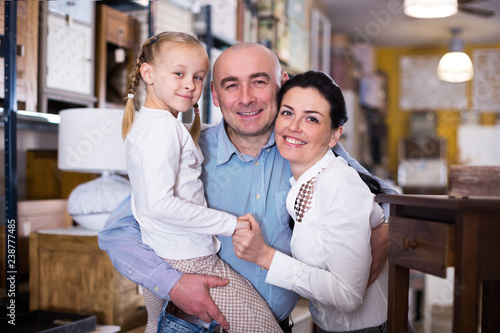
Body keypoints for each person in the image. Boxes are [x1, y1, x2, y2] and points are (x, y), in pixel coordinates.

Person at [98, 42, 396, 333]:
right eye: (230, 85)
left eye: (258, 82)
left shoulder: (308, 148)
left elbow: (387, 198)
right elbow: (119, 232)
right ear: (214, 94)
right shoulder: (186, 149)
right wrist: (171, 283)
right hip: (192, 325)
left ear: (282, 85)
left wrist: (382, 232)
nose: (246, 98)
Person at [121, 32, 282, 333]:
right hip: (191, 261)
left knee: (154, 327)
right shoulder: (165, 130)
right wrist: (231, 224)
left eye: (197, 77)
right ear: (148, 73)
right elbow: (158, 204)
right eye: (179, 73)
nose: (189, 85)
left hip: (164, 252)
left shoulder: (152, 125)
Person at [232, 70, 395, 332]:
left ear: (334, 135)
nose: (293, 126)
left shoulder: (337, 184)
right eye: (287, 113)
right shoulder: (303, 182)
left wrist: (265, 256)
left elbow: (348, 297)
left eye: (311, 118)